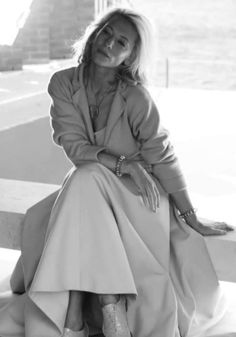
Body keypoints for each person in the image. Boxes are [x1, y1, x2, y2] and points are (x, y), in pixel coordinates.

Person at [0, 7, 234, 337]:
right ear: (95, 33)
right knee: (86, 179)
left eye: (121, 42)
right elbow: (74, 147)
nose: (109, 43)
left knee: (83, 183)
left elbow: (163, 157)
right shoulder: (63, 84)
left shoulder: (136, 97)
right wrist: (125, 164)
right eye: (106, 32)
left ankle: (75, 314)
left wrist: (190, 214)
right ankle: (111, 308)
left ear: (129, 56)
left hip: (141, 200)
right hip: (94, 192)